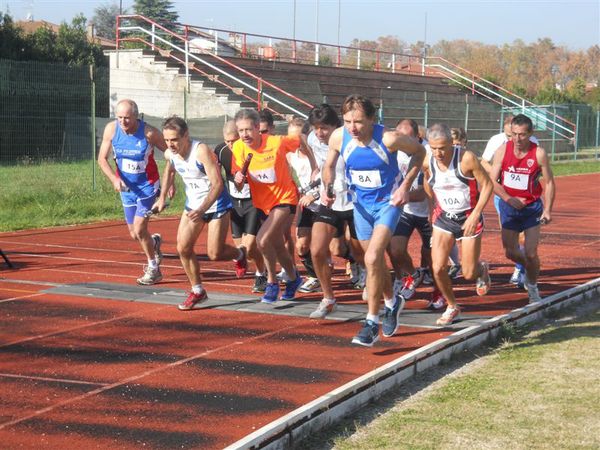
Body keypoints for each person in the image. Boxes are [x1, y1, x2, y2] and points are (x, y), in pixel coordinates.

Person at [322, 95, 426, 347]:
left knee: (370, 260)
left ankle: (371, 322)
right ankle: (392, 303)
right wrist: (327, 186)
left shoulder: (388, 138)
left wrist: (405, 187)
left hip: (387, 205)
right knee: (376, 262)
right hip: (361, 206)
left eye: (358, 121)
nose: (352, 128)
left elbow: (420, 153)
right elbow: (329, 165)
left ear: (371, 119)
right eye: (347, 121)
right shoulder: (339, 137)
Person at [152, 116, 247, 310]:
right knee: (183, 248)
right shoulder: (171, 153)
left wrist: (202, 208)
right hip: (193, 206)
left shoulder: (201, 151)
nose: (170, 144)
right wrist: (162, 197)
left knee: (215, 253)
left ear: (186, 135)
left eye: (174, 140)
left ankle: (239, 253)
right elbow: (169, 171)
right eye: (167, 140)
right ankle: (198, 290)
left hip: (216, 205)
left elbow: (218, 184)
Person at [232, 108, 318, 303]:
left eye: (248, 130)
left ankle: (271, 283)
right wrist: (238, 177)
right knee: (278, 246)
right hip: (263, 203)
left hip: (285, 199)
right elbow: (239, 180)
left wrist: (314, 166)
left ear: (257, 128)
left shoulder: (277, 142)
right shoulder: (238, 148)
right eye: (241, 131)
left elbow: (302, 140)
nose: (245, 135)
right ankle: (294, 279)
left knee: (262, 240)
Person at [423, 123, 493, 326]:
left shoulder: (466, 158)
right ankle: (452, 306)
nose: (438, 153)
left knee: (468, 273)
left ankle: (482, 270)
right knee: (437, 268)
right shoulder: (428, 161)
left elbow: (487, 184)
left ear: (451, 144)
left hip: (469, 216)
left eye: (443, 147)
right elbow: (428, 182)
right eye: (434, 148)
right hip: (444, 218)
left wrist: (476, 214)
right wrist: (433, 207)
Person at [304, 104, 365, 319]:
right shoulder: (312, 139)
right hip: (329, 200)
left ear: (336, 127)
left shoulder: (348, 139)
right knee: (317, 249)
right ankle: (328, 298)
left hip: (355, 202)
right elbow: (321, 165)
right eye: (316, 127)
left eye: (324, 128)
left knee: (360, 252)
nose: (319, 133)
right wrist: (319, 183)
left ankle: (368, 274)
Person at [97, 99, 167, 285]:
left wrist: (170, 184)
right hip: (127, 189)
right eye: (119, 117)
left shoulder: (149, 133)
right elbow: (101, 159)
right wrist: (114, 179)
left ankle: (153, 268)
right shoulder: (111, 130)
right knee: (134, 234)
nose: (123, 122)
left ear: (136, 116)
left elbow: (171, 155)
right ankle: (154, 243)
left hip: (147, 187)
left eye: (127, 118)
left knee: (139, 228)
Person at [489, 114, 555, 303]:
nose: (517, 139)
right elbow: (492, 181)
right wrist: (509, 199)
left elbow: (549, 182)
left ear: (530, 134)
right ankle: (531, 267)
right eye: (513, 135)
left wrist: (548, 209)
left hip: (531, 207)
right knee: (510, 252)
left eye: (522, 135)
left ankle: (532, 287)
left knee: (531, 252)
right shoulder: (502, 150)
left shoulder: (538, 153)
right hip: (509, 206)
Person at [481, 116, 539, 286]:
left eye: (519, 135)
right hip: (502, 194)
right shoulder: (496, 141)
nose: (514, 139)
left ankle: (521, 270)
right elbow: (484, 161)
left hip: (526, 198)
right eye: (509, 135)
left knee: (524, 238)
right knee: (510, 244)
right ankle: (525, 265)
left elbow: (536, 166)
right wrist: (498, 174)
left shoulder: (533, 141)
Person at [214, 120, 267, 293]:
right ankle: (247, 261)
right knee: (241, 249)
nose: (231, 145)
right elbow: (214, 172)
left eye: (234, 140)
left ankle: (261, 273)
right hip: (234, 204)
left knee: (249, 246)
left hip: (252, 203)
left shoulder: (251, 150)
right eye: (227, 141)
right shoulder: (221, 150)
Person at [387, 119, 432, 303]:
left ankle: (437, 291)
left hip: (429, 211)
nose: (400, 140)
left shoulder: (428, 153)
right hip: (404, 210)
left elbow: (423, 193)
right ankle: (408, 276)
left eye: (406, 137)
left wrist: (401, 194)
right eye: (398, 136)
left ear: (417, 137)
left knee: (432, 259)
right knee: (395, 249)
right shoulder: (392, 151)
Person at [286, 117, 322, 293]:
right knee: (301, 245)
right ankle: (315, 276)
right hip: (306, 205)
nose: (294, 142)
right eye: (290, 137)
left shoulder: (318, 153)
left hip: (326, 203)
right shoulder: (290, 155)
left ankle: (353, 262)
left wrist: (313, 194)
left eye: (297, 137)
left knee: (337, 247)